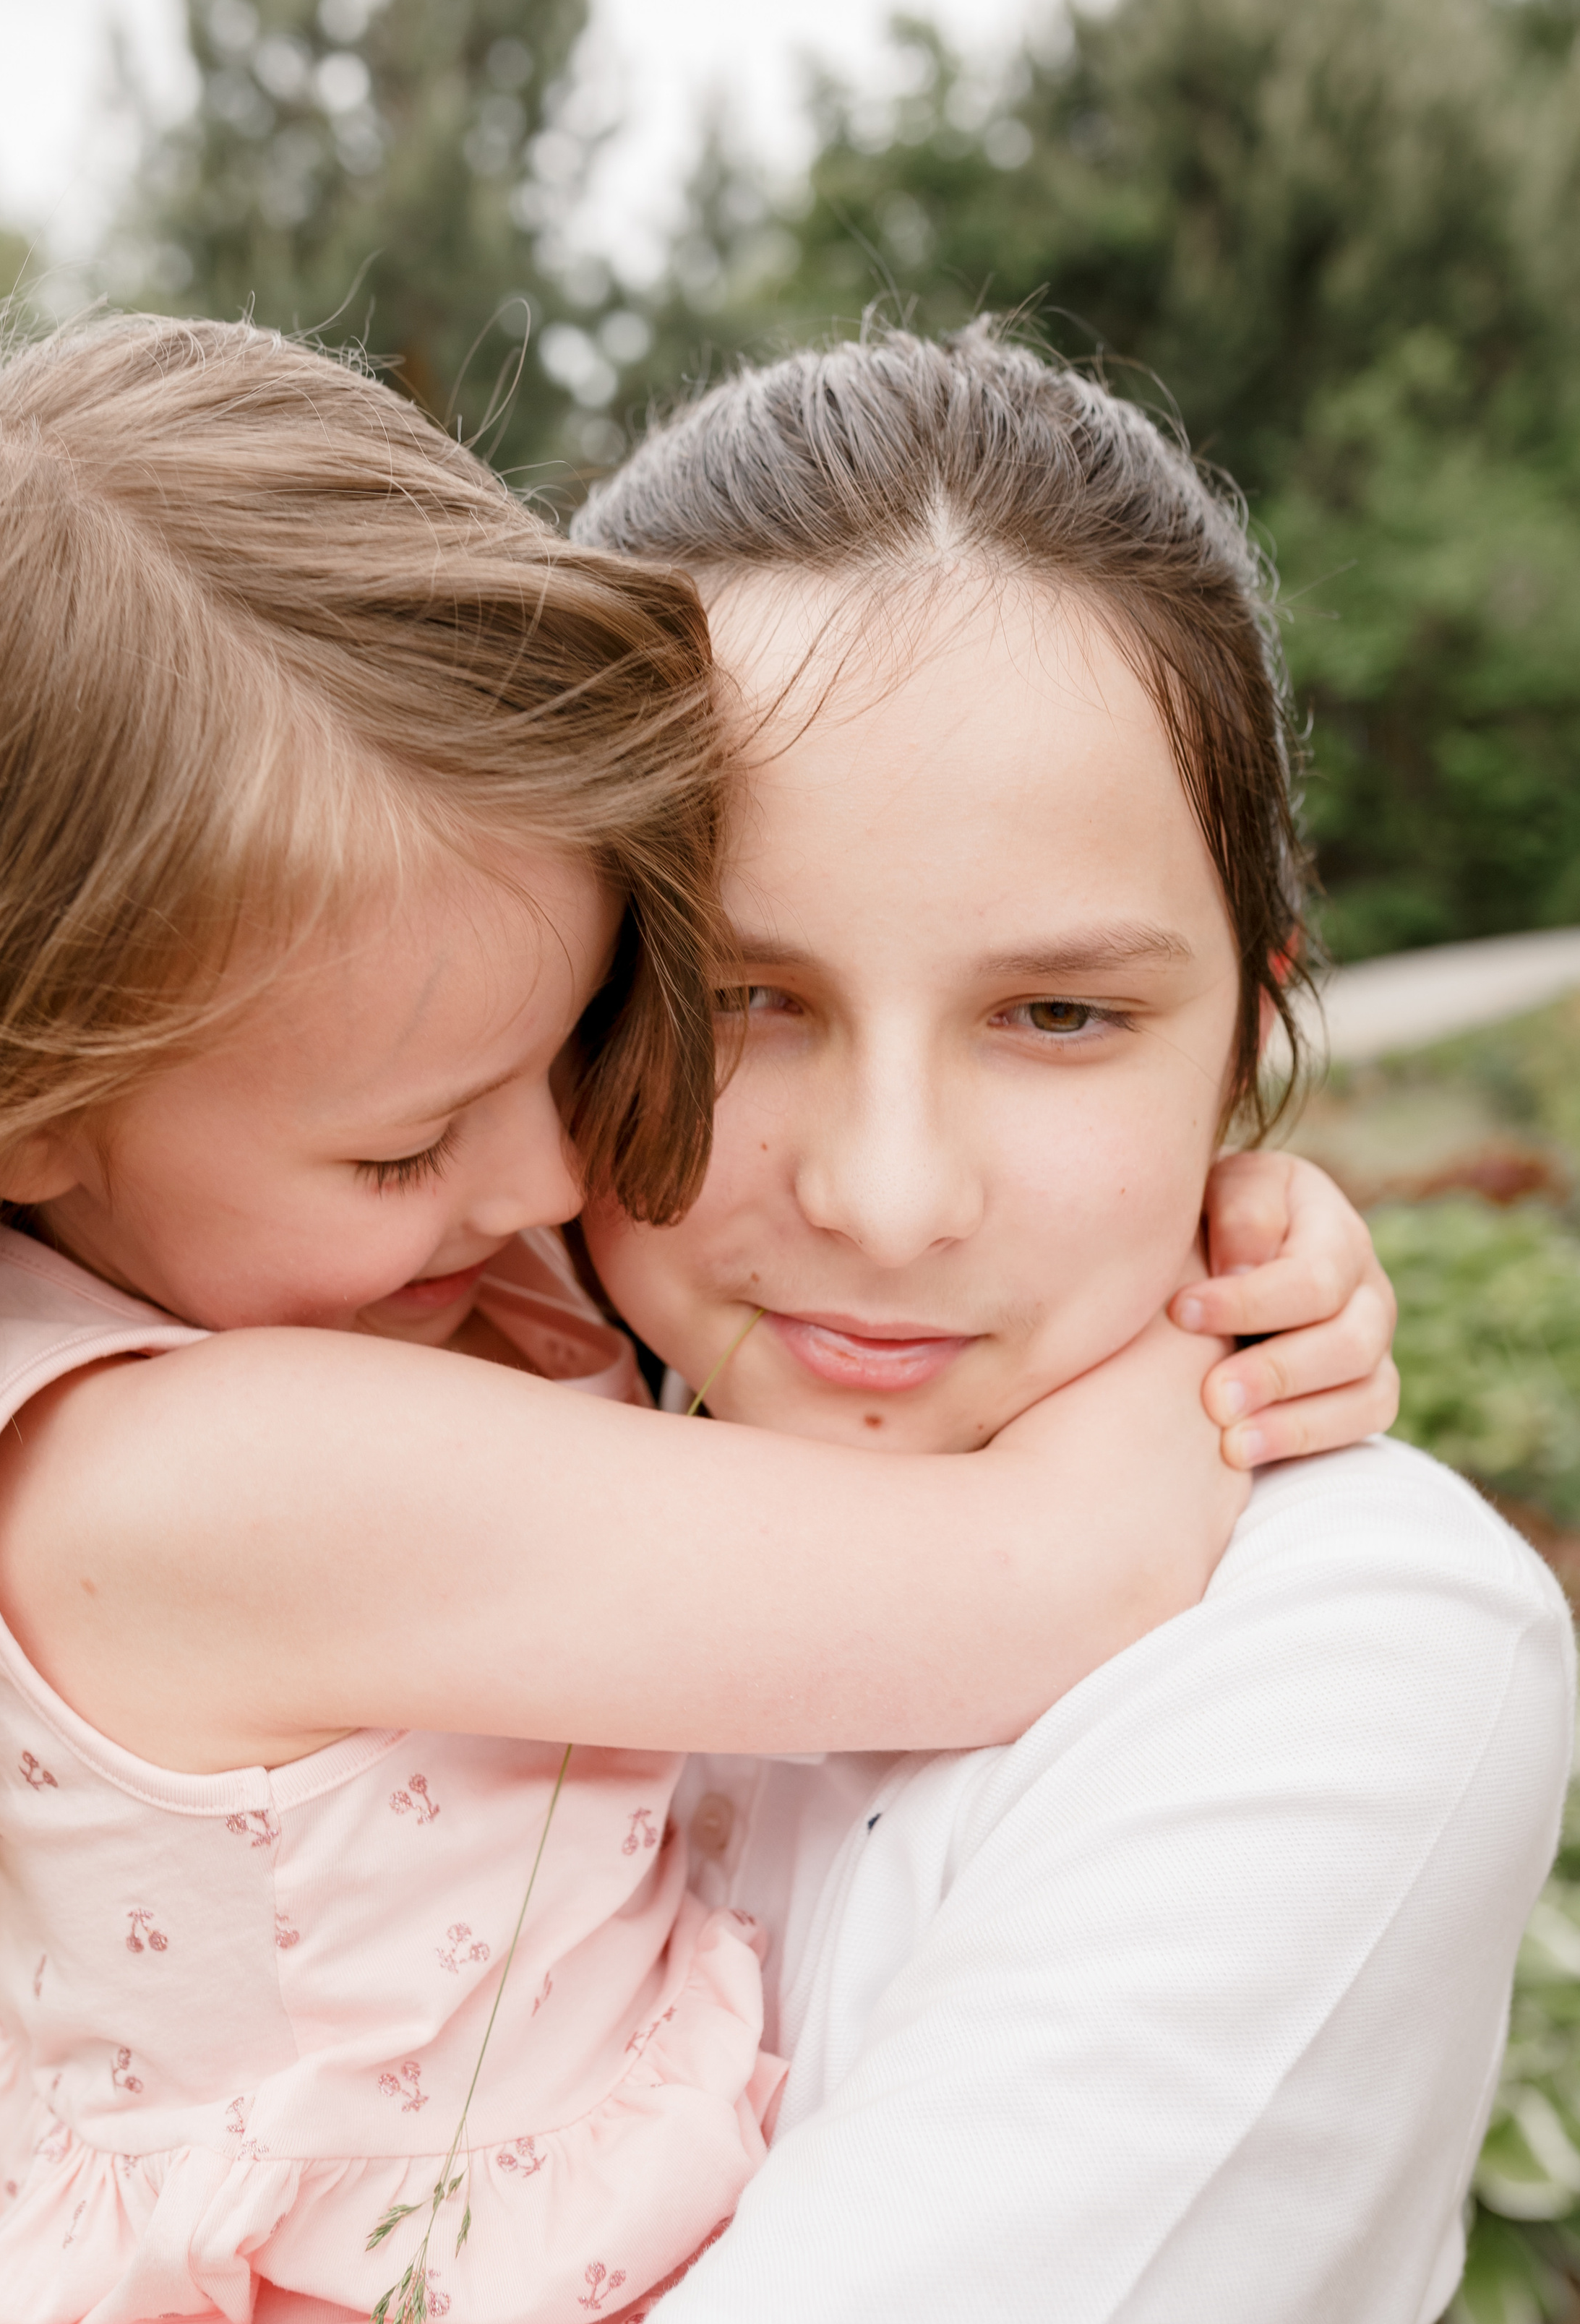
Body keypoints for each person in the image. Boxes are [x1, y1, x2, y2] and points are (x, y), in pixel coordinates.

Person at [0, 313, 1391, 2324]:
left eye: (580, 1039)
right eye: (413, 1143)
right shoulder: (207, 1475)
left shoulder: (228, 1256)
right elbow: (1046, 1572)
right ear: (25, 1109)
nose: (538, 1188)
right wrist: (1221, 1287)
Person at [567, 324, 1577, 2323]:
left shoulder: (1357, 1649)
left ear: (1241, 1043)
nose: (887, 1191)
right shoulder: (431, 1454)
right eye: (741, 998)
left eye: (1060, 1019)